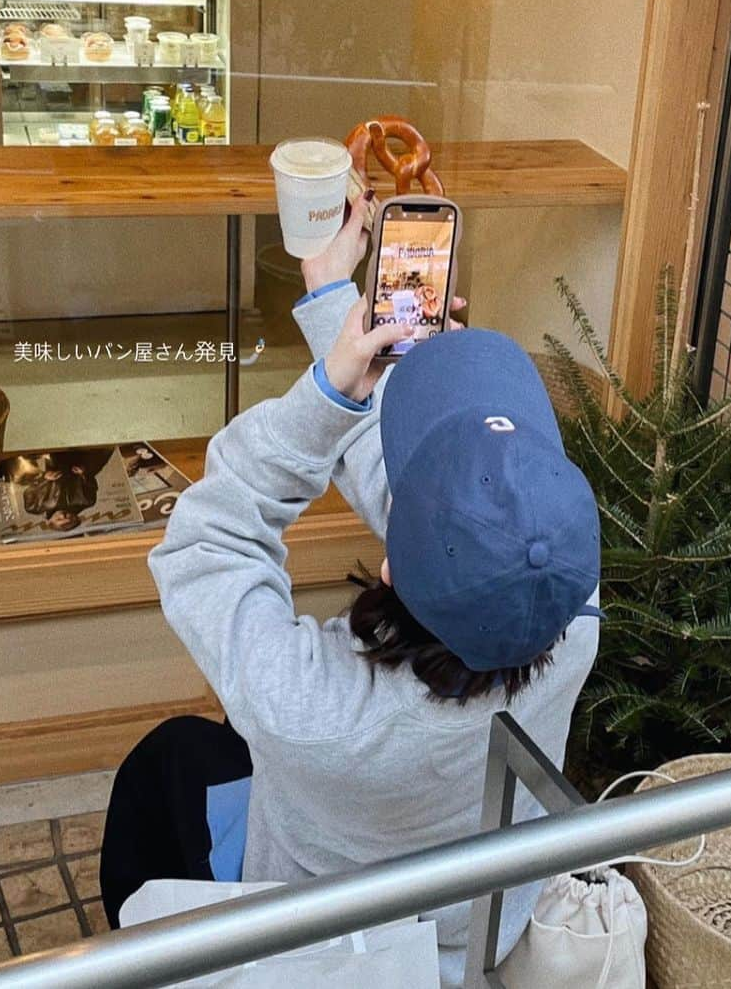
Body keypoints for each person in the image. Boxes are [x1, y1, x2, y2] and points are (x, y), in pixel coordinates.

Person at [99, 195, 601, 986]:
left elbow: (208, 537)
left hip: (328, 952)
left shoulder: (309, 708)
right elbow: (445, 497)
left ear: (395, 566)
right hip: (468, 938)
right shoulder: (572, 610)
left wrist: (328, 397)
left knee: (169, 760)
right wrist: (337, 299)